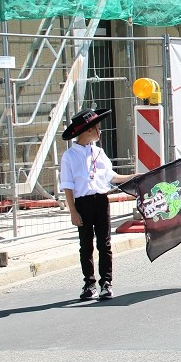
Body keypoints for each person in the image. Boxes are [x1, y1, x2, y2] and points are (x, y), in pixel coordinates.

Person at [61, 108, 133, 301]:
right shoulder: (69, 156)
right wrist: (73, 211)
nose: (99, 132)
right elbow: (68, 186)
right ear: (86, 131)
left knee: (105, 243)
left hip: (101, 200)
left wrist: (133, 176)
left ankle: (106, 283)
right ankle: (89, 283)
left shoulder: (99, 152)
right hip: (83, 203)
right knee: (86, 245)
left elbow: (112, 176)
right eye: (96, 128)